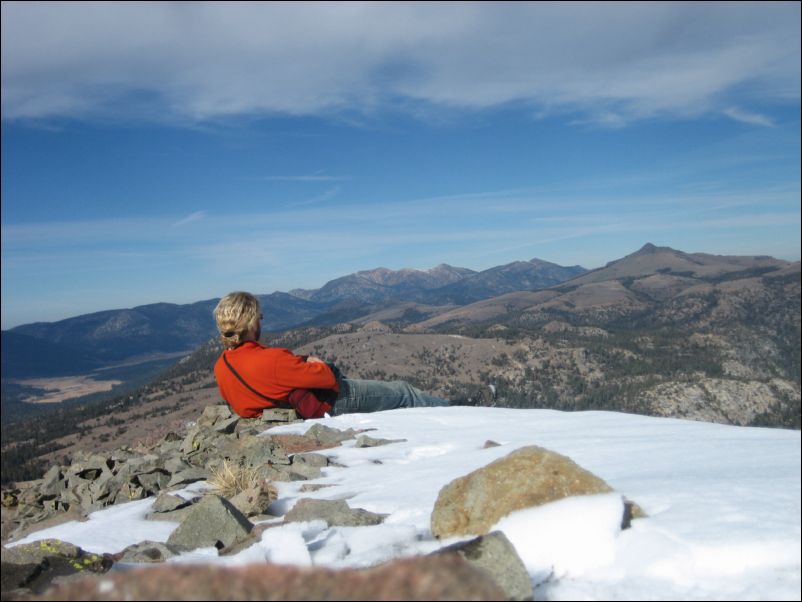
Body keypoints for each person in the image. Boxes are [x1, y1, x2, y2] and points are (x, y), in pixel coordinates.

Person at [213, 291, 449, 419]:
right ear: (252, 323)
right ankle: (468, 416)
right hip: (332, 403)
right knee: (404, 392)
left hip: (293, 408)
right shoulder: (271, 359)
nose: (261, 322)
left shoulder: (221, 366)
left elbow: (243, 406)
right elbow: (327, 379)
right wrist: (315, 364)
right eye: (260, 318)